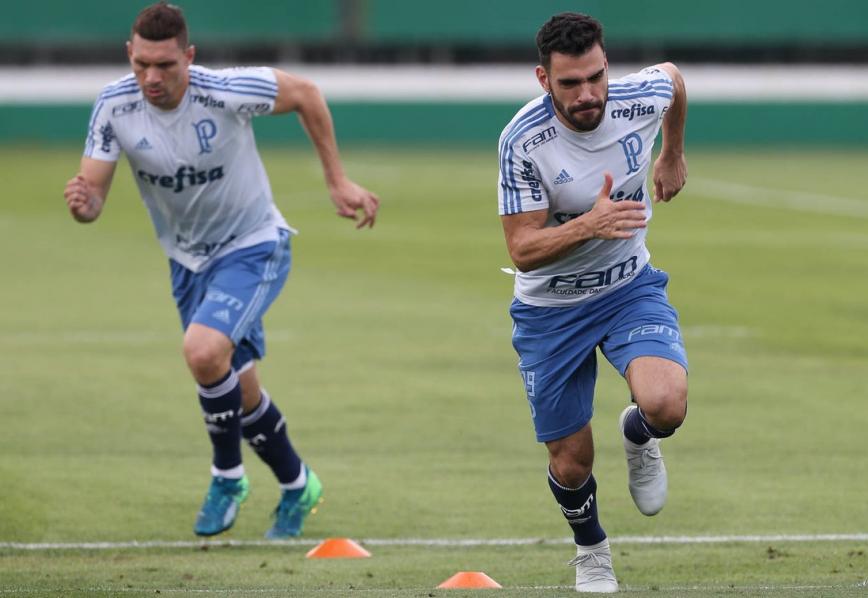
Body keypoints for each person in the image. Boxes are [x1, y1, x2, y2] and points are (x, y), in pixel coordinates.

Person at [63, 2, 379, 539]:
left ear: (189, 56)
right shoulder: (114, 106)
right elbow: (92, 193)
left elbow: (306, 93)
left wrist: (337, 181)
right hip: (186, 260)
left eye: (165, 65)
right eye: (141, 64)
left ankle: (226, 477)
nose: (151, 77)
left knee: (203, 352)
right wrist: (85, 205)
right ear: (128, 55)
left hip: (253, 244)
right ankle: (298, 483)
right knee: (237, 386)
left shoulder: (225, 89)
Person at [498, 12, 688, 593]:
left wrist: (671, 153)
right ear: (542, 78)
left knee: (667, 405)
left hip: (628, 287)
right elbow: (523, 248)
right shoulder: (522, 141)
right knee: (571, 460)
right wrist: (589, 223)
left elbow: (676, 79)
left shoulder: (639, 97)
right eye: (570, 83)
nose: (588, 94)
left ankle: (638, 432)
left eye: (596, 77)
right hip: (550, 310)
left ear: (607, 65)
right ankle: (592, 549)